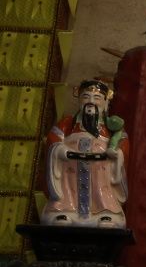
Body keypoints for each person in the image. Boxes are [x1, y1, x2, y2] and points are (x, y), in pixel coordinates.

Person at [43, 79, 128, 227]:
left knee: (102, 189)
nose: (91, 102)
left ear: (106, 102)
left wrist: (116, 152)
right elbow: (53, 137)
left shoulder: (111, 126)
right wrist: (59, 149)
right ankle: (64, 210)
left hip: (101, 168)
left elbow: (123, 141)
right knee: (68, 188)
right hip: (70, 167)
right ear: (79, 100)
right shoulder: (68, 123)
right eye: (86, 97)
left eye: (97, 98)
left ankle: (105, 212)